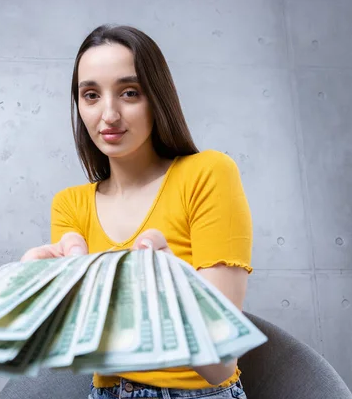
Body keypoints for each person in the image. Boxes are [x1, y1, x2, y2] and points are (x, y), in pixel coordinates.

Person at [21, 24, 252, 399]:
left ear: (156, 97)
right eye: (91, 95)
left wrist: (171, 288)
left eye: (130, 92)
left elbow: (218, 366)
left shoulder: (208, 174)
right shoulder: (70, 205)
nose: (108, 115)